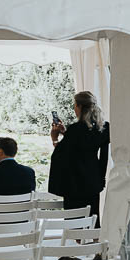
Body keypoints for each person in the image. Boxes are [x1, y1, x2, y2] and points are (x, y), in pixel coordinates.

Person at [49, 90, 110, 223]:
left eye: (75, 106)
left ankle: (77, 242)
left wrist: (55, 139)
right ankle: (94, 242)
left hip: (74, 182)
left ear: (80, 107)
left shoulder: (75, 129)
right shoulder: (104, 127)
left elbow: (62, 155)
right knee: (94, 219)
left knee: (75, 222)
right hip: (93, 179)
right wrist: (101, 179)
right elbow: (103, 156)